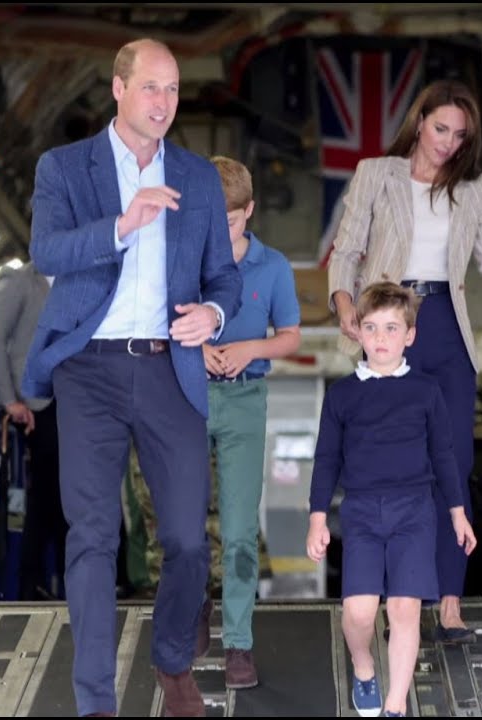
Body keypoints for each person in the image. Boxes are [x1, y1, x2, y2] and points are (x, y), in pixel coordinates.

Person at [20, 38, 243, 718]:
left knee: (183, 539)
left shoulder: (200, 178)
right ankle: (96, 704)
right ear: (118, 89)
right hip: (90, 368)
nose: (164, 103)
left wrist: (213, 311)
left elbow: (224, 276)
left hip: (170, 367)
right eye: (151, 87)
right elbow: (46, 250)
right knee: (92, 536)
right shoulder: (65, 168)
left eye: (173, 90)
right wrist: (121, 224)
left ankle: (173, 660)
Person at [326, 79, 482, 638]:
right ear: (419, 121)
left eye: (459, 134)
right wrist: (346, 306)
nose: (447, 142)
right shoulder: (377, 173)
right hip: (389, 325)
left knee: (453, 467)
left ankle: (448, 601)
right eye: (440, 128)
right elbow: (346, 252)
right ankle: (399, 602)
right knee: (385, 467)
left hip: (446, 328)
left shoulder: (472, 188)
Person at [306, 282, 477, 718]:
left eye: (391, 328)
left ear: (410, 336)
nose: (381, 338)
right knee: (360, 614)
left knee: (405, 609)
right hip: (362, 513)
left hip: (415, 512)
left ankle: (395, 705)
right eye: (371, 327)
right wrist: (317, 518)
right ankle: (364, 668)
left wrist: (458, 513)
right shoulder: (342, 394)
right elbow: (326, 459)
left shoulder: (425, 391)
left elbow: (444, 455)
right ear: (357, 333)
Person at [200, 155, 302, 689]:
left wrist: (250, 348)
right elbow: (158, 321)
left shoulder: (274, 266)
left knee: (239, 530)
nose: (221, 232)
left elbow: (290, 335)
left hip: (245, 400)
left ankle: (238, 641)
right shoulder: (184, 258)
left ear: (250, 212)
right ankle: (194, 605)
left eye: (232, 222)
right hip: (188, 398)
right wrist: (196, 355)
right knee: (184, 524)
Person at [0, 261, 66, 601]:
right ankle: (29, 582)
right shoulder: (18, 281)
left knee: (58, 494)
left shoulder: (74, 280)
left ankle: (44, 581)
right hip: (35, 405)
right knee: (46, 495)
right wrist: (9, 400)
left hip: (67, 401)